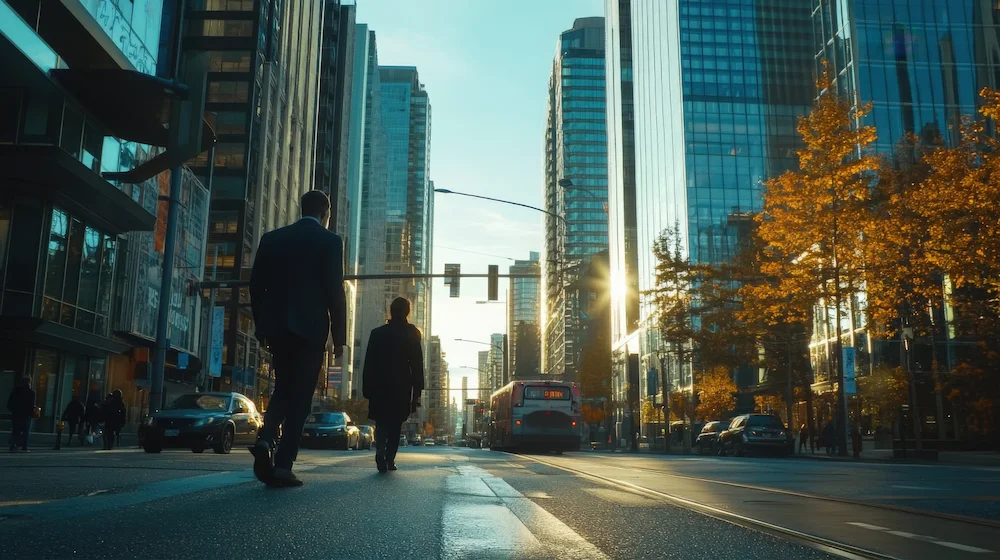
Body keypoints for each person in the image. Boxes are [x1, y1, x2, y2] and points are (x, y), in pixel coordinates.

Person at [249, 190, 347, 488]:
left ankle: (266, 438)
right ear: (325, 213)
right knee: (301, 396)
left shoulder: (272, 238)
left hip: (277, 328)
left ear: (300, 208)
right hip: (311, 330)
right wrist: (339, 338)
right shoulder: (331, 241)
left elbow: (256, 286)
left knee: (283, 387)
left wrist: (261, 324)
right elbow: (335, 291)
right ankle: (283, 465)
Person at [362, 297, 425, 473]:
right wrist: (417, 392)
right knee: (396, 423)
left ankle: (380, 451)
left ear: (391, 311)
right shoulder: (412, 333)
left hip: (379, 384)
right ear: (407, 312)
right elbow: (417, 364)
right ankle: (389, 458)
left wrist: (367, 387)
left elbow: (369, 363)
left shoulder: (377, 333)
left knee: (382, 421)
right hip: (401, 384)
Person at [6, 375, 35, 452]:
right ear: (29, 382)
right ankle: (23, 446)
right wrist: (32, 413)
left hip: (16, 414)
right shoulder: (31, 392)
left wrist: (13, 410)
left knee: (15, 430)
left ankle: (13, 445)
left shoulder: (16, 390)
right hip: (26, 415)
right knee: (25, 431)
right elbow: (31, 406)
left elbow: (10, 402)